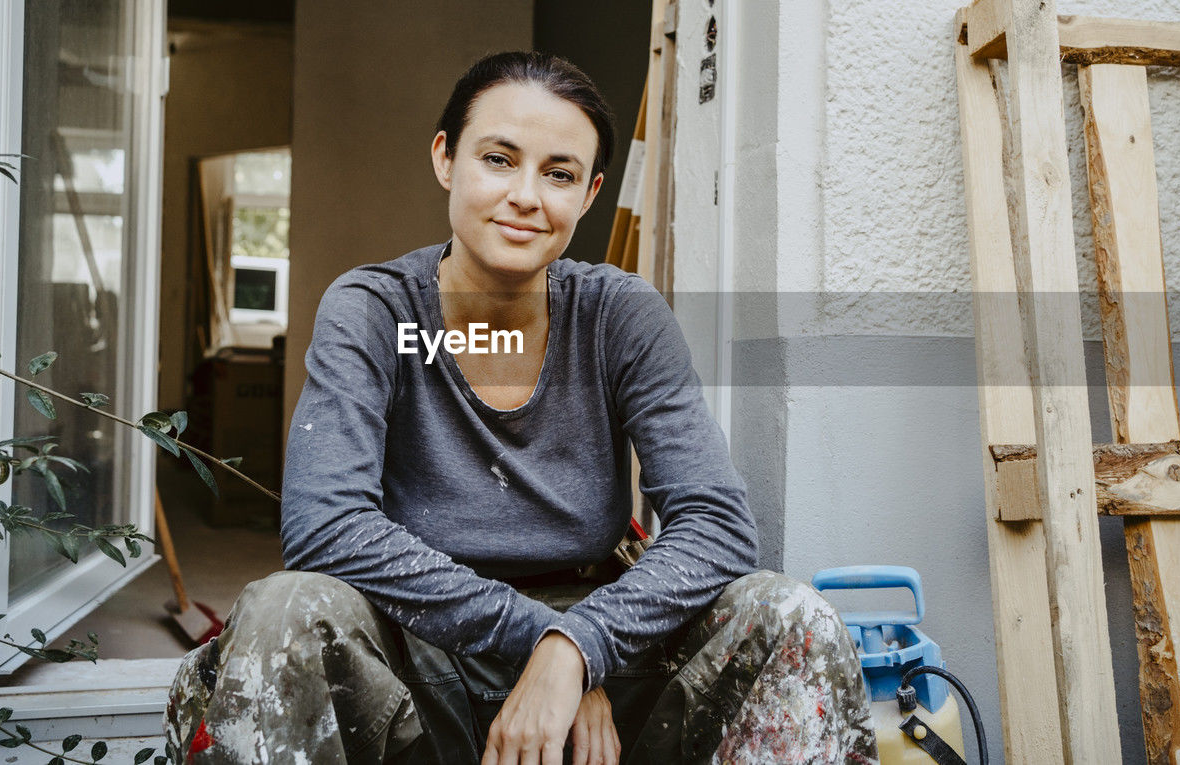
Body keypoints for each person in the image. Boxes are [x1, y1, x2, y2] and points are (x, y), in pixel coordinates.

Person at [164, 52, 878, 764]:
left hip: (607, 650)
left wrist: (583, 646)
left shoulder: (619, 316)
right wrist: (542, 639)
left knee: (787, 611)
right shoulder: (373, 309)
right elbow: (325, 527)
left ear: (591, 191)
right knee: (285, 608)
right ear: (446, 158)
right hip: (419, 653)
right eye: (499, 159)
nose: (526, 195)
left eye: (559, 173)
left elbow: (717, 524)